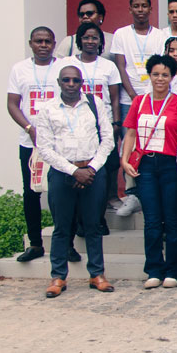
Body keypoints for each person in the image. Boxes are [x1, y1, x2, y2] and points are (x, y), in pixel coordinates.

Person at [36, 65, 116, 297]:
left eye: (75, 80)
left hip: (92, 171)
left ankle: (97, 274)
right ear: (59, 82)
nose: (71, 84)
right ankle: (58, 277)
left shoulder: (94, 104)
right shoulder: (48, 109)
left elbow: (107, 139)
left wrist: (90, 169)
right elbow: (44, 148)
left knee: (93, 225)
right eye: (66, 80)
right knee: (62, 227)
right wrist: (73, 171)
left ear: (82, 83)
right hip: (62, 173)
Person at [120, 54, 177, 288]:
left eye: (165, 74)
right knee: (152, 220)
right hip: (146, 165)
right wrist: (124, 160)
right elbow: (130, 133)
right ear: (149, 76)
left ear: (172, 77)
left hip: (171, 165)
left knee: (172, 219)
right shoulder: (139, 102)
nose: (160, 79)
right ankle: (153, 269)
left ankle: (173, 270)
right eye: (155, 74)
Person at [8, 27, 67, 263]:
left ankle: (66, 244)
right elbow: (12, 104)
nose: (43, 45)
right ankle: (35, 244)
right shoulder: (19, 69)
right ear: (30, 43)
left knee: (61, 192)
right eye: (38, 41)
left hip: (59, 142)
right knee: (31, 192)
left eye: (47, 41)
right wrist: (29, 128)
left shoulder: (63, 67)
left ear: (54, 44)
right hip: (29, 142)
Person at [110, 0, 168, 217]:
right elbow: (121, 67)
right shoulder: (121, 34)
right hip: (130, 100)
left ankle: (152, 189)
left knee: (154, 142)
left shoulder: (160, 35)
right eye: (136, 6)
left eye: (144, 6)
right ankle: (133, 193)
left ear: (151, 9)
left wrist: (151, 95)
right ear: (130, 9)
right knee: (130, 144)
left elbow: (162, 68)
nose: (140, 9)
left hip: (155, 99)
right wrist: (134, 95)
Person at [64, 22, 123, 238]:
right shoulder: (68, 64)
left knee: (102, 174)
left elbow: (114, 98)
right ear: (79, 40)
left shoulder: (108, 66)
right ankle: (80, 221)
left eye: (95, 38)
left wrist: (116, 123)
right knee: (79, 173)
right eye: (86, 37)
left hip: (103, 125)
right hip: (76, 126)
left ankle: (98, 219)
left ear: (100, 42)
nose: (90, 41)